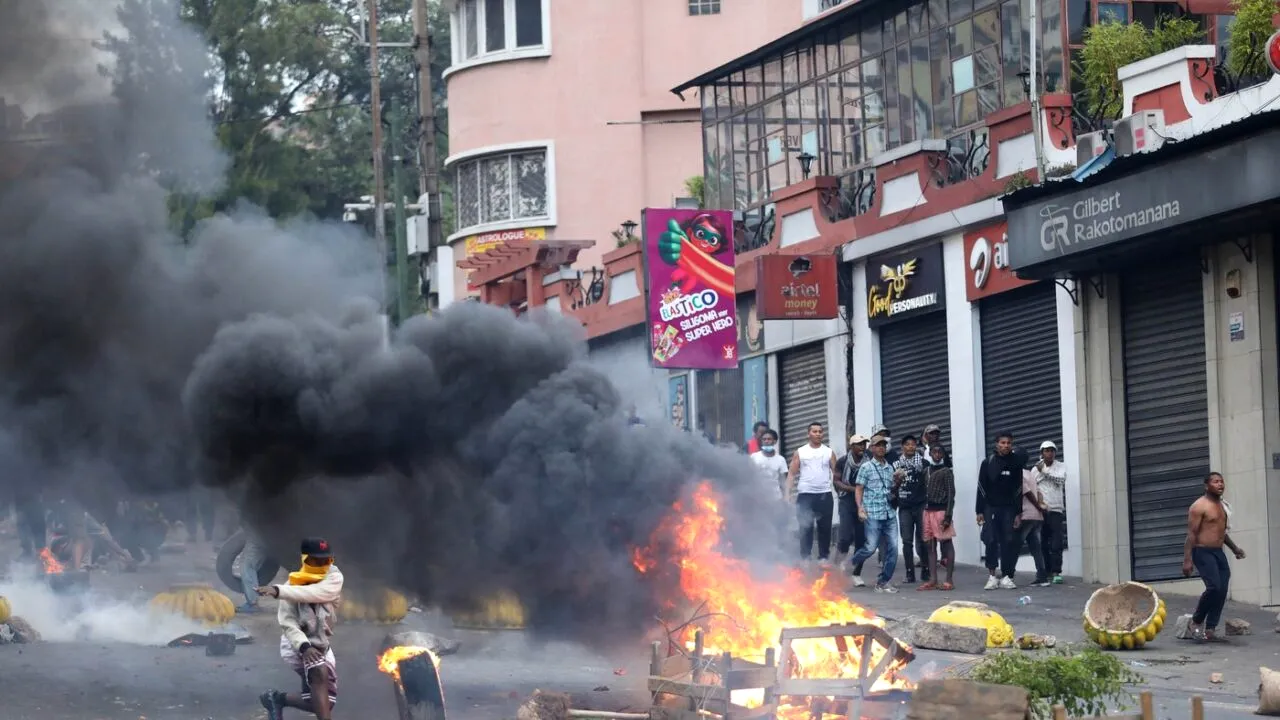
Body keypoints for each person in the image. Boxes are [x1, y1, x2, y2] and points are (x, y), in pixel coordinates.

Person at [258, 537, 344, 720]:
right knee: (318, 672)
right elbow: (288, 624)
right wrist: (304, 647)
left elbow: (316, 593)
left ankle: (277, 699)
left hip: (322, 644)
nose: (322, 564)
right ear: (305, 559)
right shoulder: (291, 586)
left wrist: (279, 591)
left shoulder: (334, 577)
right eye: (316, 560)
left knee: (324, 703)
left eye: (326, 560)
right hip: (297, 644)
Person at [1181, 473, 1245, 642]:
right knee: (1214, 587)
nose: (1220, 484)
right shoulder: (1199, 506)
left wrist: (1235, 549)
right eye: (1215, 481)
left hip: (1218, 552)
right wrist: (1187, 560)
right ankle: (1195, 621)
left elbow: (1221, 533)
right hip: (1202, 552)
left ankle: (1210, 629)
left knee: (1222, 589)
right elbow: (1191, 534)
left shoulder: (1222, 506)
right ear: (1206, 486)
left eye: (1222, 481)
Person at [976, 431, 1027, 590]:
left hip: (1009, 508)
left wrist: (1018, 513)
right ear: (997, 444)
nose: (1006, 446)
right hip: (991, 507)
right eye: (1003, 443)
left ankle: (1007, 576)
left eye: (1008, 443)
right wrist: (979, 511)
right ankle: (992, 576)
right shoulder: (988, 463)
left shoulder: (1016, 463)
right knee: (990, 539)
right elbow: (981, 487)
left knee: (1009, 541)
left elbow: (1019, 489)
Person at [849, 435, 899, 593]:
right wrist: (860, 507)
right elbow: (859, 488)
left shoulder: (890, 467)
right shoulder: (866, 467)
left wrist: (898, 482)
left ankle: (883, 582)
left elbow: (892, 489)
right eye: (878, 445)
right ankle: (850, 563)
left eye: (884, 445)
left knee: (894, 548)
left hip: (889, 513)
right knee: (870, 548)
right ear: (872, 448)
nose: (881, 448)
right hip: (873, 513)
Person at [788, 422, 836, 568]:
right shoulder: (800, 452)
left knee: (825, 528)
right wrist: (787, 494)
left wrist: (840, 491)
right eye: (814, 431)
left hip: (824, 495)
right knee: (805, 527)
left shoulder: (828, 452)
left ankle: (823, 557)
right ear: (808, 434)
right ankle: (805, 557)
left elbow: (837, 473)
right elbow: (791, 474)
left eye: (820, 431)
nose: (818, 434)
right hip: (805, 495)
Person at [892, 435, 929, 584]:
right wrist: (897, 481)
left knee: (923, 539)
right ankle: (909, 574)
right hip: (904, 507)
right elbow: (891, 488)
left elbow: (928, 484)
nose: (910, 447)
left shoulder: (924, 464)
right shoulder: (895, 465)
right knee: (907, 541)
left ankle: (926, 571)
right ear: (902, 447)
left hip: (920, 505)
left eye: (913, 445)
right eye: (907, 444)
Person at [918, 444, 956, 591]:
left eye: (940, 452)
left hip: (941, 511)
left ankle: (949, 579)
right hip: (927, 511)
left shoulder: (946, 471)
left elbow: (951, 494)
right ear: (930, 454)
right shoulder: (926, 471)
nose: (937, 455)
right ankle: (933, 579)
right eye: (934, 452)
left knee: (946, 544)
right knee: (930, 546)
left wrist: (948, 516)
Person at [1031, 441, 1068, 584]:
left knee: (1057, 542)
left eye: (1052, 450)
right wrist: (1042, 472)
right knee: (1043, 542)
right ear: (1042, 453)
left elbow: (1061, 479)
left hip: (1056, 509)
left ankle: (1056, 571)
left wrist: (1044, 472)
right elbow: (1032, 483)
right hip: (1041, 510)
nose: (1049, 453)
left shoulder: (1060, 466)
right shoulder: (1036, 468)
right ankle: (1046, 571)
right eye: (1046, 451)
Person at [834, 435, 868, 561]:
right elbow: (836, 481)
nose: (862, 447)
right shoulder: (842, 461)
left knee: (861, 539)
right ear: (851, 446)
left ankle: (855, 572)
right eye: (859, 444)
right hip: (846, 502)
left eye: (864, 444)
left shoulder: (869, 462)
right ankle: (837, 566)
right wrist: (853, 490)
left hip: (864, 502)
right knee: (845, 537)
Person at [1015, 465, 1050, 588]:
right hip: (1036, 516)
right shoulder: (1030, 473)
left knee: (1015, 544)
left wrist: (1037, 505)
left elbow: (1027, 492)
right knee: (1035, 547)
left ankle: (1007, 575)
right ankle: (1042, 577)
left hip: (1027, 514)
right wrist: (1040, 506)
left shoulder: (1018, 473)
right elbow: (1039, 492)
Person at [749, 428, 788, 502]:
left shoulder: (781, 459)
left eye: (769, 439)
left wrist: (786, 498)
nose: (766, 441)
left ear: (775, 441)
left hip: (776, 499)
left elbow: (783, 482)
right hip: (758, 498)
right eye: (764, 439)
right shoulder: (754, 457)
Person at [238, 526, 270, 614]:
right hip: (269, 534)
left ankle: (253, 603)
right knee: (253, 565)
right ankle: (253, 599)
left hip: (260, 533)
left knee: (247, 565)